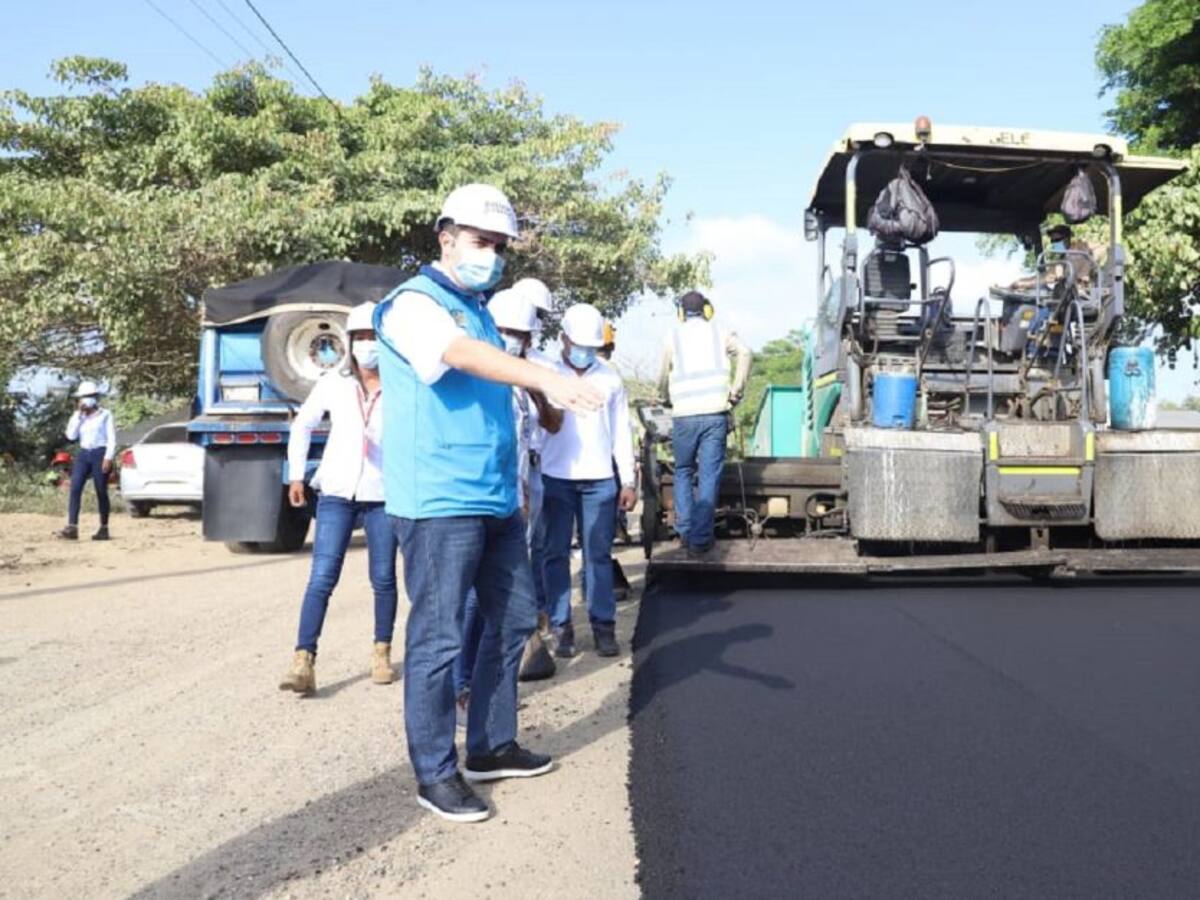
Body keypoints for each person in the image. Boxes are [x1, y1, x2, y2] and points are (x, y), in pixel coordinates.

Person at [375, 183, 603, 823]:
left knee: (510, 621)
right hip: (439, 499)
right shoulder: (413, 306)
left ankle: (491, 744)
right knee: (438, 638)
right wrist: (545, 376)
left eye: (500, 246)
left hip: (496, 498)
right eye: (481, 242)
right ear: (445, 237)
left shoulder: (473, 305)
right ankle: (434, 773)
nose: (492, 256)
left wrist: (519, 491)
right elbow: (460, 357)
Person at [277, 302, 397, 697]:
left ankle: (381, 652)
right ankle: (303, 660)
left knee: (383, 578)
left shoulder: (402, 385)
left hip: (383, 495)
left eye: (374, 338)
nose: (367, 346)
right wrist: (297, 473)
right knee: (322, 577)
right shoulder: (334, 383)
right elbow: (304, 425)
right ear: (348, 343)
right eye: (360, 338)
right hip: (336, 492)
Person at [453, 281, 559, 708]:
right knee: (473, 600)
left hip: (513, 498)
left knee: (495, 603)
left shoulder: (526, 376)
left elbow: (547, 426)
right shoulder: (469, 375)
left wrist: (534, 386)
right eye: (507, 334)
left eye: (521, 336)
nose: (514, 342)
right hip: (477, 499)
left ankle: (483, 689)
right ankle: (461, 687)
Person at [539, 304, 637, 659]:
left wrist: (627, 479)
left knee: (598, 555)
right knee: (555, 554)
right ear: (563, 338)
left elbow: (621, 432)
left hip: (599, 480)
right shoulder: (545, 372)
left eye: (591, 347)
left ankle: (603, 627)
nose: (584, 352)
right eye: (578, 344)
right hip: (555, 478)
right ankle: (561, 627)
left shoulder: (610, 379)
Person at [657, 291, 752, 559]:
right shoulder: (720, 332)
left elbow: (663, 373)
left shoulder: (671, 336)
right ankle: (700, 539)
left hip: (684, 415)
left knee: (683, 471)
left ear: (681, 313)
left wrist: (664, 397)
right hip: (715, 414)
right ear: (707, 310)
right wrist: (736, 391)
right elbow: (745, 352)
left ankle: (685, 532)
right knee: (709, 475)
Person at [59, 381, 116, 541]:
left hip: (100, 452)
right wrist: (79, 415)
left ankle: (103, 527)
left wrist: (108, 457)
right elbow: (71, 435)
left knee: (101, 490)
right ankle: (72, 526)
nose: (85, 400)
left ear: (95, 398)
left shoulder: (105, 415)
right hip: (84, 453)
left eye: (89, 397)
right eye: (83, 397)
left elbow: (111, 438)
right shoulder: (78, 416)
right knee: (75, 487)